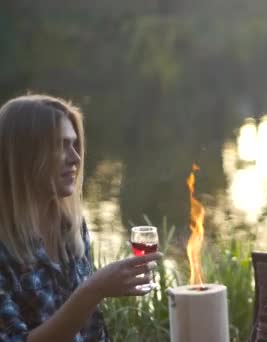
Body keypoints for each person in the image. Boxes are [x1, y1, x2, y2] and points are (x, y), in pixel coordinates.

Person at [0, 94, 162, 341]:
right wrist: (93, 290)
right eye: (61, 145)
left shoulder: (71, 226)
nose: (75, 158)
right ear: (25, 155)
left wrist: (106, 286)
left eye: (75, 144)